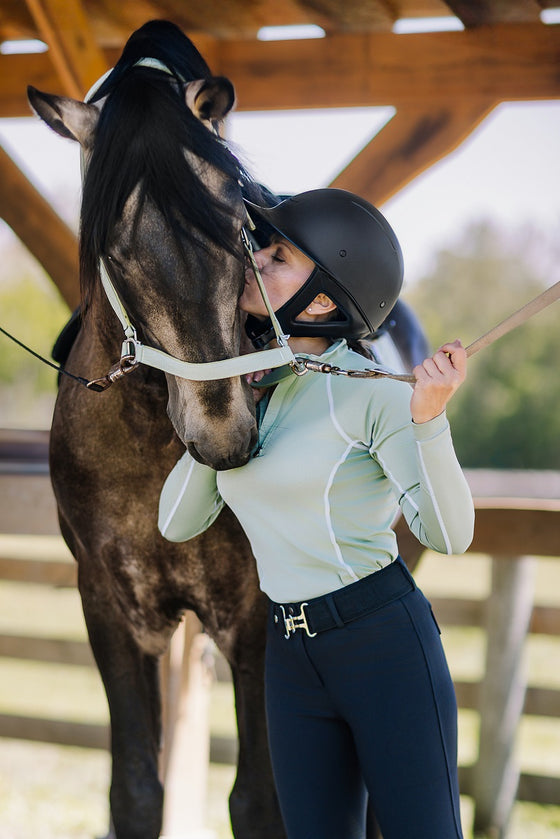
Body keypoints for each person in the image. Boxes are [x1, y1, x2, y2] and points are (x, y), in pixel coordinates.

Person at [158, 188, 474, 839]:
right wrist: (219, 407)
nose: (255, 259)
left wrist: (430, 421)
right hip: (290, 651)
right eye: (262, 247)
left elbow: (451, 534)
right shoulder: (253, 389)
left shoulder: (372, 395)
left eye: (277, 257)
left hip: (383, 645)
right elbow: (175, 522)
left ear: (323, 299)